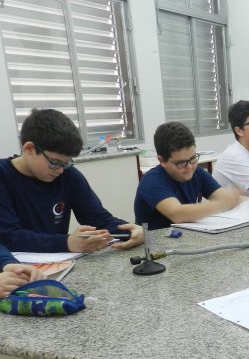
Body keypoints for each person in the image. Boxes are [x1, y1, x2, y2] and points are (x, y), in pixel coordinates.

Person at [0, 109, 143, 254]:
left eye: (66, 163)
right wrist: (67, 243)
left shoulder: (68, 175)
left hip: (59, 261)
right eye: (55, 162)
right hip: (12, 264)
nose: (60, 170)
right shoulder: (4, 176)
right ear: (29, 149)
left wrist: (132, 230)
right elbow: (9, 237)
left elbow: (98, 219)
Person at [134, 121, 243, 230]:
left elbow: (225, 198)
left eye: (193, 158)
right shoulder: (151, 181)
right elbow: (177, 214)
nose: (190, 167)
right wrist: (219, 205)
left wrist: (242, 200)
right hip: (156, 239)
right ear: (162, 161)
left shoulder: (196, 172)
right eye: (181, 163)